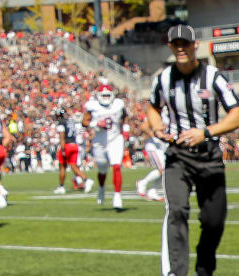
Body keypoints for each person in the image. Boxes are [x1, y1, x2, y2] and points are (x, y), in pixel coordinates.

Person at [147, 25, 239, 276]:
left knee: (214, 220)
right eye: (176, 44)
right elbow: (153, 108)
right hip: (177, 156)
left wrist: (207, 132)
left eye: (185, 43)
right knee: (176, 211)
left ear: (194, 46)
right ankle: (176, 272)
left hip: (209, 155)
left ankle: (204, 266)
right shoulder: (163, 78)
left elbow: (238, 114)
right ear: (170, 47)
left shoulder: (213, 76)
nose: (181, 48)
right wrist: (158, 129)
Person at [83, 80, 127, 210]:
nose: (106, 98)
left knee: (117, 166)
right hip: (99, 141)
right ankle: (101, 188)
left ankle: (117, 196)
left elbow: (125, 116)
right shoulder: (93, 106)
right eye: (104, 95)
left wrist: (123, 130)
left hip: (115, 139)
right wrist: (96, 124)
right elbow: (84, 122)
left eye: (108, 95)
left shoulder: (119, 104)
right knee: (102, 169)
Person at [52, 106, 85, 194]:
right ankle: (81, 181)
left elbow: (62, 137)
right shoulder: (70, 122)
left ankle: (62, 186)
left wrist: (62, 150)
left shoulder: (61, 123)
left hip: (67, 145)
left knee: (63, 166)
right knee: (74, 165)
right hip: (75, 145)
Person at [135, 116, 167, 201]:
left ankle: (153, 191)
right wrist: (154, 136)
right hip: (154, 145)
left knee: (166, 170)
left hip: (163, 145)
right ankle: (142, 182)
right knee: (163, 169)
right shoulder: (158, 113)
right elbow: (143, 126)